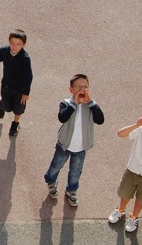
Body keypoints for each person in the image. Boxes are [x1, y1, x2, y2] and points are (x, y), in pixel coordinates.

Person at [43, 74, 105, 207]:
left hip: (81, 147)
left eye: (85, 87)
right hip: (64, 144)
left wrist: (91, 103)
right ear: (71, 89)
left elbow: (100, 120)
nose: (82, 90)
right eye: (79, 87)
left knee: (76, 171)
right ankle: (51, 181)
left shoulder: (92, 105)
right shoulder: (66, 103)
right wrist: (74, 104)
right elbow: (62, 118)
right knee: (56, 166)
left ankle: (72, 190)